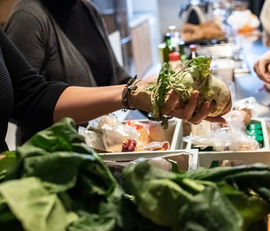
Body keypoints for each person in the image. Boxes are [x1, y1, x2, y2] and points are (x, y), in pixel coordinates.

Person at [0, 29, 218, 153]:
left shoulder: (87, 10)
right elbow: (31, 115)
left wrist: (142, 95)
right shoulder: (28, 17)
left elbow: (31, 96)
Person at [5, 0, 131, 143]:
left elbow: (115, 72)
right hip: (53, 154)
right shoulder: (27, 17)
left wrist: (150, 94)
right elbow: (23, 100)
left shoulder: (88, 9)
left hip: (97, 149)